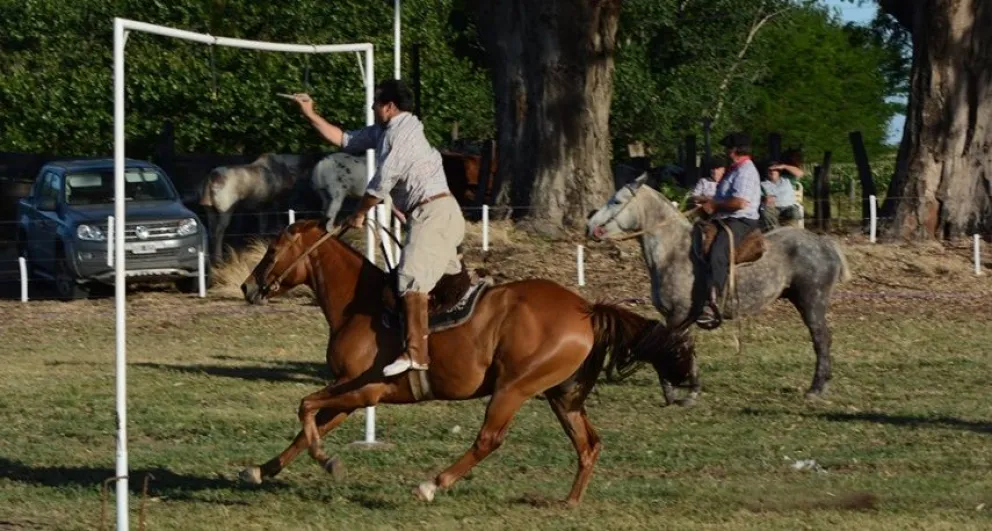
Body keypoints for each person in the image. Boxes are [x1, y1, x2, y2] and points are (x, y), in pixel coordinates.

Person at [290, 79, 465, 377]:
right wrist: (310, 114)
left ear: (389, 107)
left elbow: (382, 181)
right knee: (444, 281)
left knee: (410, 279)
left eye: (375, 103)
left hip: (432, 213)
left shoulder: (404, 135)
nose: (371, 108)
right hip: (436, 213)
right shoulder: (384, 131)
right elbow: (345, 140)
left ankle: (416, 355)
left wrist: (360, 213)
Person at [692, 132, 761, 329]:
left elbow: (739, 202)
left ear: (735, 150)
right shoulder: (734, 169)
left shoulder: (746, 171)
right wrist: (708, 202)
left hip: (741, 220)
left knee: (718, 253)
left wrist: (714, 206)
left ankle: (713, 302)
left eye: (728, 148)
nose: (726, 151)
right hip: (724, 217)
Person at [759, 163, 803, 231]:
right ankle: (774, 233)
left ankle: (792, 232)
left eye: (774, 170)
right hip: (773, 208)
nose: (772, 171)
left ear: (779, 171)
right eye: (769, 170)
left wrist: (785, 166)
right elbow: (758, 197)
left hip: (789, 207)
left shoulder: (787, 179)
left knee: (794, 212)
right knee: (765, 211)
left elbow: (800, 173)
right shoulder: (762, 184)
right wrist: (764, 199)